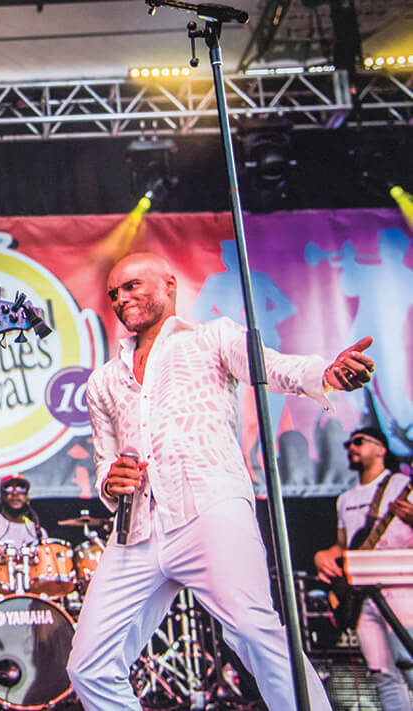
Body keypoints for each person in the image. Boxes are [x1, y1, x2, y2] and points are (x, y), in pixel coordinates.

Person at [66, 251, 374, 710]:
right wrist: (111, 482)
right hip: (139, 531)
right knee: (87, 664)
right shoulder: (103, 382)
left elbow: (270, 367)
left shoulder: (211, 338)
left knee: (253, 629)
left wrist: (324, 373)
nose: (121, 297)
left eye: (132, 285)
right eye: (114, 292)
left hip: (209, 507)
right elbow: (105, 463)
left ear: (169, 284)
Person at [314, 427, 413, 710]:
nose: (351, 448)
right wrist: (323, 556)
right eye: (348, 444)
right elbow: (342, 546)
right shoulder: (344, 499)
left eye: (359, 442)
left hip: (402, 589)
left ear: (381, 449)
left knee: (409, 663)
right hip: (362, 594)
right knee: (382, 672)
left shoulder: (400, 486)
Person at [0, 473, 47, 546]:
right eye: (8, 489)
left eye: (21, 488)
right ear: (0, 498)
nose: (15, 493)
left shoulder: (39, 533)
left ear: (27, 497)